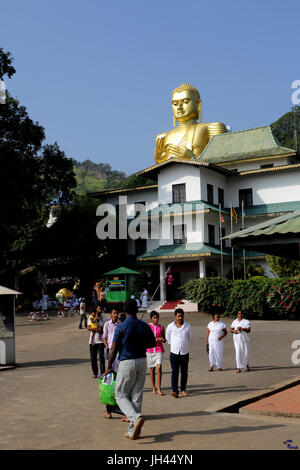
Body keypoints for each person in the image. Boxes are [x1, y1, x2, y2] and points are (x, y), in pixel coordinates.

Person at [105, 300, 156, 440]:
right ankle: (133, 430)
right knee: (137, 394)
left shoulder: (121, 327)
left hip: (127, 362)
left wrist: (108, 367)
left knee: (120, 394)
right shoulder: (144, 326)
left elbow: (113, 349)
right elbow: (152, 343)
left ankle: (135, 417)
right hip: (141, 361)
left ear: (125, 311)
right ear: (137, 310)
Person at [102, 308, 128, 421]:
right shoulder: (107, 324)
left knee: (119, 384)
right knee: (109, 383)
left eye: (117, 313)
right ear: (110, 314)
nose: (116, 315)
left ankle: (122, 410)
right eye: (114, 313)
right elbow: (105, 337)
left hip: (119, 355)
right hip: (110, 354)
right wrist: (108, 348)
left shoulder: (121, 325)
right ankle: (108, 410)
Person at [166, 308, 193, 398]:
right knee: (175, 372)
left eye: (182, 316)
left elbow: (190, 338)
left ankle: (183, 389)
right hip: (174, 352)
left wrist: (182, 343)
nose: (180, 318)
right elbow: (168, 338)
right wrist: (175, 344)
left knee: (184, 372)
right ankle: (174, 390)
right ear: (175, 316)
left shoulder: (188, 326)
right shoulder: (170, 326)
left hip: (185, 352)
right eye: (178, 316)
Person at [146, 311, 166, 395]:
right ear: (151, 318)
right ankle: (153, 388)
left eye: (157, 317)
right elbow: (145, 339)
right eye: (154, 318)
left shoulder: (161, 327)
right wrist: (156, 340)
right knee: (152, 369)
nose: (156, 319)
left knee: (159, 367)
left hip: (159, 349)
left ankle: (159, 388)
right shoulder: (148, 327)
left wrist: (162, 339)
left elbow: (164, 339)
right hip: (150, 350)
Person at [88, 306, 107, 378]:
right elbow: (89, 327)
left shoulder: (104, 317)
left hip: (101, 341)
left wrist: (98, 329)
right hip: (92, 341)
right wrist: (97, 329)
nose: (100, 310)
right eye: (99, 308)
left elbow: (104, 329)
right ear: (95, 309)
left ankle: (102, 372)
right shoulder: (91, 317)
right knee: (93, 358)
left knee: (101, 357)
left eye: (101, 308)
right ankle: (94, 372)